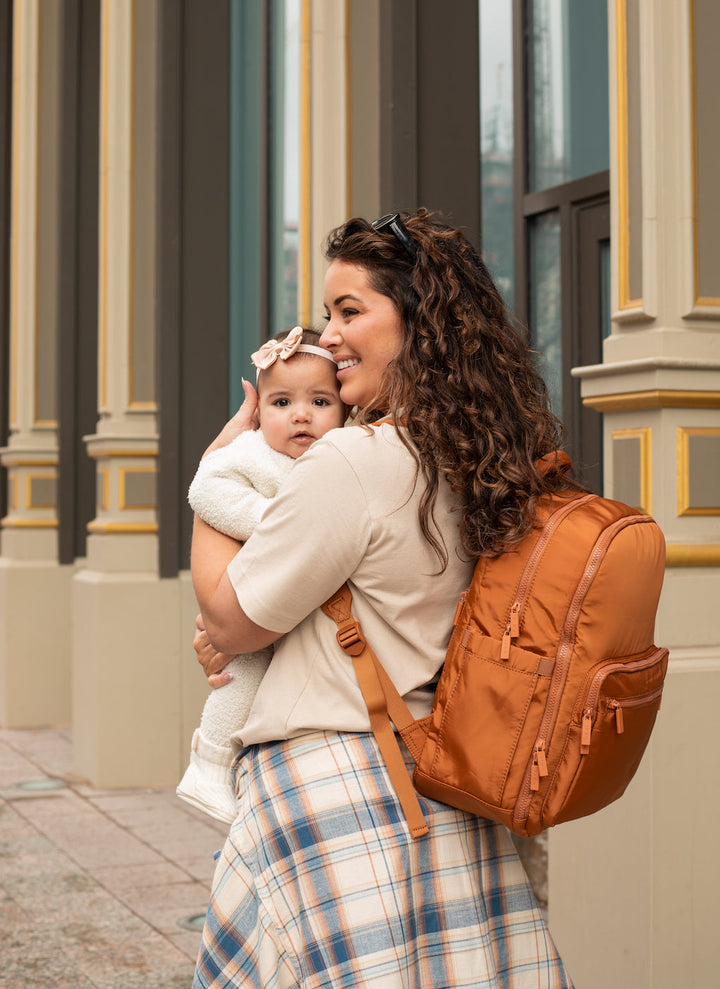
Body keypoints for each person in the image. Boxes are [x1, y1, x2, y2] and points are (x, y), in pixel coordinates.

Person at [190, 209, 575, 987]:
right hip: (441, 779)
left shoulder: (352, 462)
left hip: (334, 785)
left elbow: (229, 616)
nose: (328, 335)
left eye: (349, 310)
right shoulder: (482, 457)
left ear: (419, 318)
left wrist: (213, 469)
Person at [177, 327, 346, 823]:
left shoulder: (339, 461)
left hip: (303, 619)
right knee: (238, 672)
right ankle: (210, 762)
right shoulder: (251, 454)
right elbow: (206, 490)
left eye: (320, 401)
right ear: (257, 411)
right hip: (254, 596)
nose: (300, 414)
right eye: (280, 402)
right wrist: (273, 525)